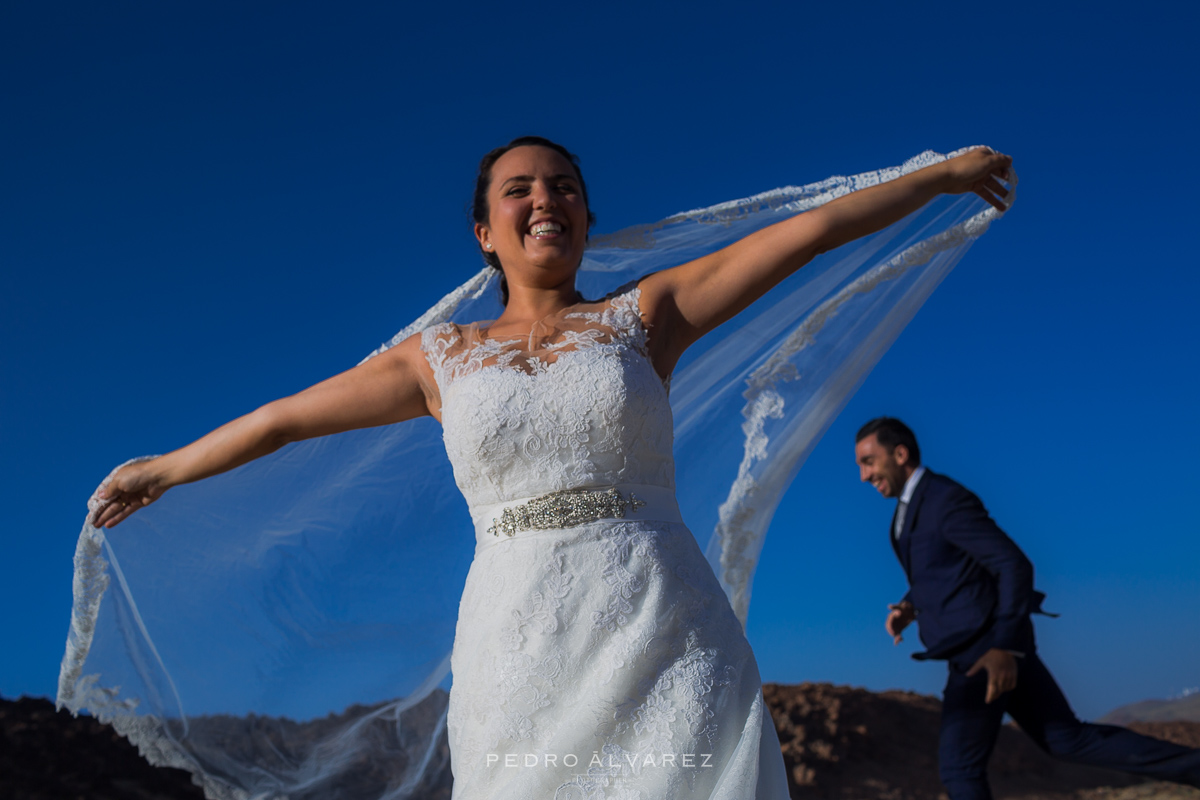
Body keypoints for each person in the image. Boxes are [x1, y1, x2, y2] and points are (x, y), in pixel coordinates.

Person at [86, 138, 1012, 799]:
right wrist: (166, 468)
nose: (546, 199)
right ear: (484, 231)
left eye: (565, 186)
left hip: (663, 619)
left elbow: (807, 234)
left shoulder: (647, 314)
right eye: (520, 188)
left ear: (585, 215)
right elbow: (283, 419)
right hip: (517, 636)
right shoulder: (435, 359)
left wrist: (940, 176)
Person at [854, 417, 1200, 800]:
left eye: (868, 462)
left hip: (982, 653)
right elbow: (943, 570)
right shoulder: (909, 510)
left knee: (959, 771)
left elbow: (1012, 564)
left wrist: (1004, 648)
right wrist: (909, 605)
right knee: (1069, 740)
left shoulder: (944, 500)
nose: (863, 475)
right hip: (987, 648)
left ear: (900, 454)